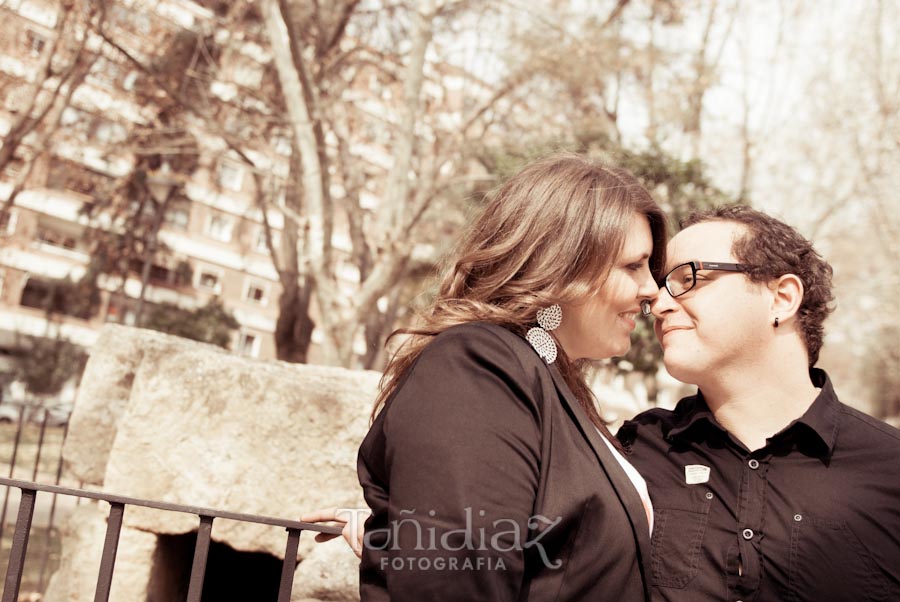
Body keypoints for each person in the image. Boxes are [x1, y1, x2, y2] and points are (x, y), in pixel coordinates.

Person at [323, 153, 668, 601]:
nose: (652, 292)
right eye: (632, 266)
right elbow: (454, 580)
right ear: (562, 263)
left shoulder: (547, 379)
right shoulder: (477, 367)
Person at [618, 205, 900, 602]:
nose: (658, 304)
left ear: (782, 298)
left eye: (686, 278)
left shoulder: (890, 470)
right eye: (662, 284)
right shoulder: (633, 453)